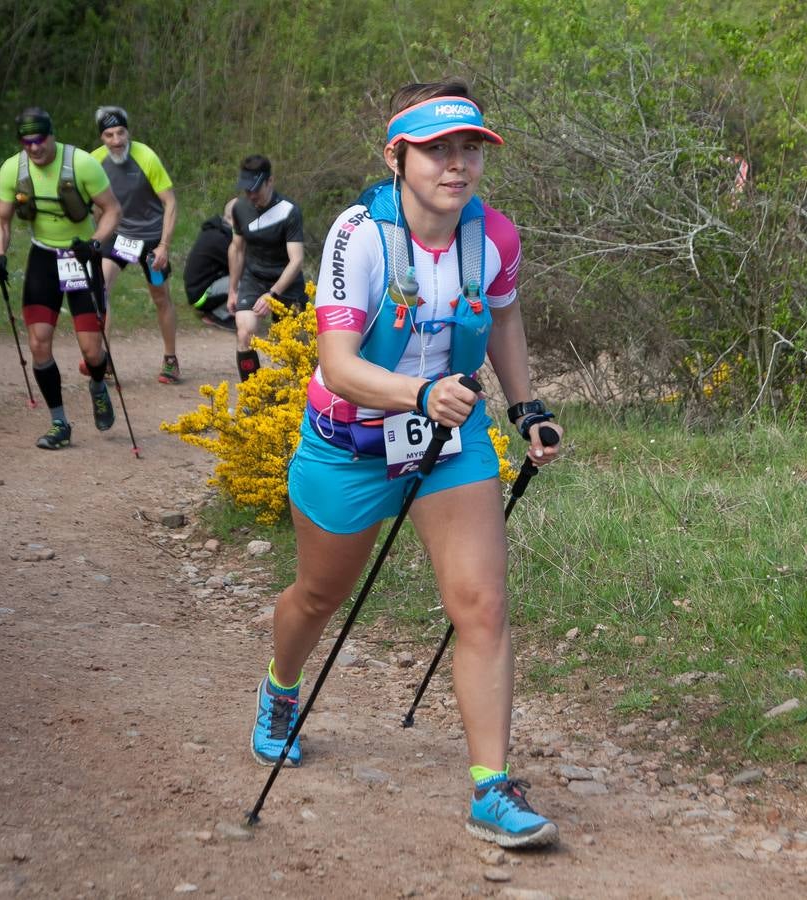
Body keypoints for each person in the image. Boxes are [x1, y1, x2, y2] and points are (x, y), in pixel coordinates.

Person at [249, 80, 564, 849]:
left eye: (469, 150)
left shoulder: (496, 239)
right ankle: (280, 688)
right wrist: (422, 390)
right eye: (435, 150)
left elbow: (505, 314)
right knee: (318, 595)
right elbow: (340, 365)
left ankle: (491, 787)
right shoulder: (358, 236)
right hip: (350, 443)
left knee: (482, 604)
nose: (455, 166)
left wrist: (527, 407)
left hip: (448, 440)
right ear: (397, 156)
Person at [0, 107, 121, 450]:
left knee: (92, 351)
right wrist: (0, 255)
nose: (34, 148)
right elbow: (2, 221)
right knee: (38, 343)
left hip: (79, 256)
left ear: (52, 136)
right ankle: (59, 422)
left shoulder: (81, 164)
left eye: (40, 140)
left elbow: (112, 210)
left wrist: (93, 244)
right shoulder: (11, 170)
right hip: (44, 257)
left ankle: (97, 385)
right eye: (27, 142)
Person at [90, 106, 182, 384]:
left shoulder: (146, 157)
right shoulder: (94, 162)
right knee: (100, 289)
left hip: (152, 240)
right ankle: (102, 358)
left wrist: (164, 245)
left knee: (160, 296)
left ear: (128, 131)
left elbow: (171, 202)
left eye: (120, 133)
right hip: (120, 238)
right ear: (102, 137)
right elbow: (95, 202)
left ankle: (170, 359)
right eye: (109, 135)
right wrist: (101, 234)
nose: (116, 140)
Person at [226, 155, 308, 381]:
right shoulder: (239, 208)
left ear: (270, 181)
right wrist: (233, 289)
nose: (251, 195)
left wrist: (272, 294)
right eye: (246, 190)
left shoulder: (289, 211)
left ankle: (295, 403)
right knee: (244, 332)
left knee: (292, 347)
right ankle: (253, 394)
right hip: (255, 278)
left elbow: (297, 260)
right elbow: (237, 249)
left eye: (255, 189)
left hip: (286, 281)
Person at [183, 198, 238, 331]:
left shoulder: (219, 230)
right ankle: (218, 315)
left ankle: (221, 310)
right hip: (200, 296)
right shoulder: (220, 239)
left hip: (202, 288)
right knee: (248, 281)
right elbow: (241, 266)